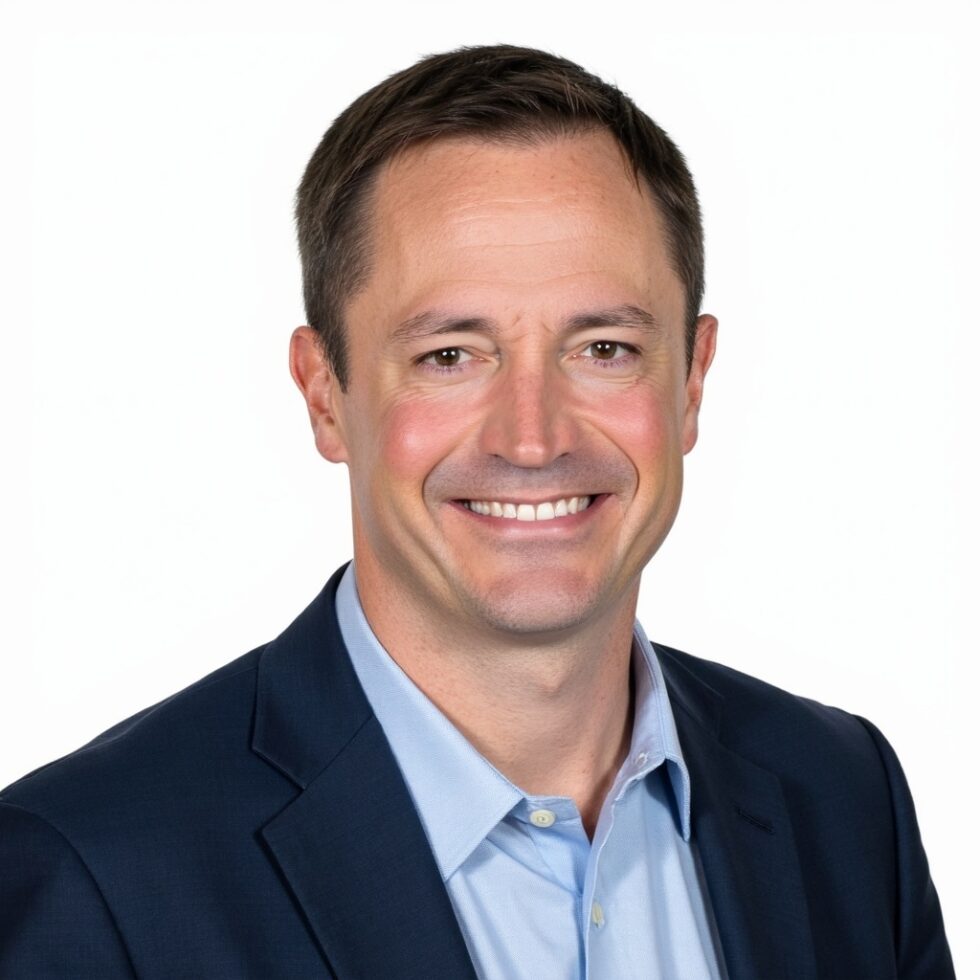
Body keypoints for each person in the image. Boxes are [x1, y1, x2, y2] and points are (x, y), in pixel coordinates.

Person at [0, 44, 954, 979]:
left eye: (605, 349)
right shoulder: (91, 877)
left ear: (692, 383)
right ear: (325, 394)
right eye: (450, 356)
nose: (533, 439)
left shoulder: (843, 797)